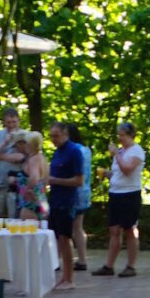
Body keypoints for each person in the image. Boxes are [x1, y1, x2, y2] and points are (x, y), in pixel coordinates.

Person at [96, 120, 147, 276]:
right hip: (115, 193)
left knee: (129, 229)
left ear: (131, 135)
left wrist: (116, 154)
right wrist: (106, 173)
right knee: (114, 230)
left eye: (123, 135)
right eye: (119, 135)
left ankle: (131, 266)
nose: (120, 138)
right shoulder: (121, 151)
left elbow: (127, 169)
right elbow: (118, 173)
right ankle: (109, 266)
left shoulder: (136, 151)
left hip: (130, 194)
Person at [47, 122, 91, 289]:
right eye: (51, 136)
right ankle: (65, 276)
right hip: (55, 200)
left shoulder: (74, 152)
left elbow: (79, 180)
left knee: (66, 238)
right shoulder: (57, 152)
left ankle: (69, 278)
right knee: (59, 238)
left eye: (56, 136)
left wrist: (55, 181)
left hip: (67, 202)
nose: (53, 139)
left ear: (65, 134)